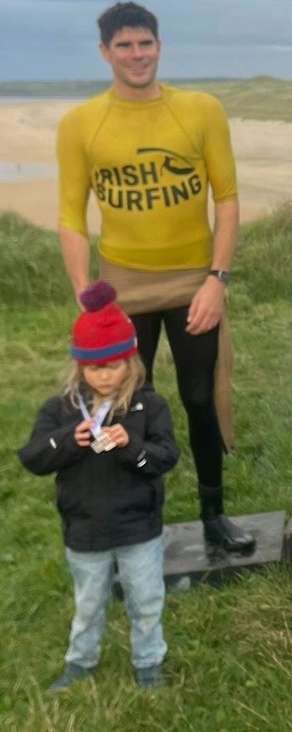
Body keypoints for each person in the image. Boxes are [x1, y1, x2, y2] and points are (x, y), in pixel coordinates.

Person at [56, 1, 254, 553]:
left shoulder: (201, 110)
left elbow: (228, 198)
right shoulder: (80, 124)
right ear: (105, 53)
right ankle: (139, 521)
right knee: (127, 401)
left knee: (198, 397)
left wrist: (217, 278)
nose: (137, 54)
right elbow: (72, 216)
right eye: (124, 45)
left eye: (145, 43)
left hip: (194, 279)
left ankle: (214, 515)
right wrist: (84, 294)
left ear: (159, 47)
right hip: (122, 285)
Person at [18, 282, 180, 691]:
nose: (105, 375)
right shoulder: (61, 410)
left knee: (146, 601)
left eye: (114, 365)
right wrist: (69, 440)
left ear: (132, 361)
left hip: (138, 528)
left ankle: (148, 664)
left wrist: (132, 446)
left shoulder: (149, 406)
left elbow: (166, 458)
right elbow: (33, 457)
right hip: (85, 528)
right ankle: (80, 663)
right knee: (89, 603)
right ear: (79, 367)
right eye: (95, 367)